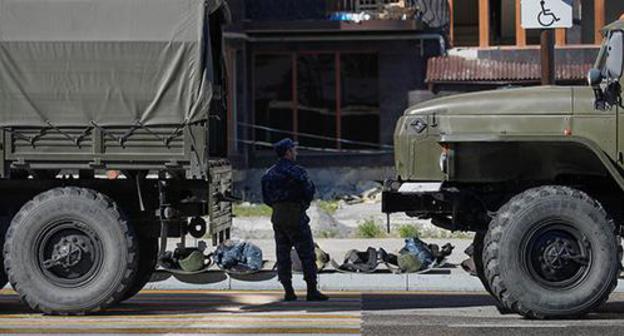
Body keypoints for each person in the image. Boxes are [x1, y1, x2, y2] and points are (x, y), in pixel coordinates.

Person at [261, 138, 329, 302]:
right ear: (288, 152)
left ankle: (288, 291)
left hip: (278, 216)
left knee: (282, 254)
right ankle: (311, 291)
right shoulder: (297, 171)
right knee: (306, 253)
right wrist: (301, 206)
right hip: (295, 215)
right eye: (293, 150)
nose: (296, 152)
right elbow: (309, 191)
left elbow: (266, 198)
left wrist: (279, 206)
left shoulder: (269, 173)